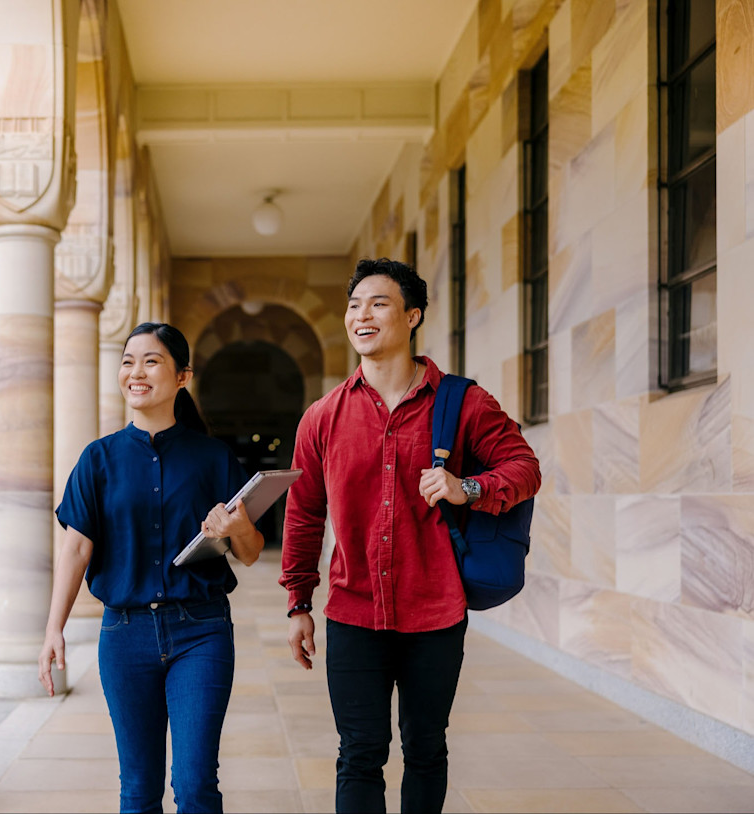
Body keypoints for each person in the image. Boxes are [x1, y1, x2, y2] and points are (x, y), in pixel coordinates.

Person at [280, 258, 541, 814]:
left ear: (412, 315)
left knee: (426, 749)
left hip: (436, 611)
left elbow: (524, 468)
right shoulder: (322, 417)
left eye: (378, 302)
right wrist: (299, 602)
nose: (361, 314)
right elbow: (303, 514)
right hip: (352, 612)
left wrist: (466, 487)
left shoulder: (463, 402)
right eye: (353, 305)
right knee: (359, 753)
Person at [39, 322, 265, 814]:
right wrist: (54, 628)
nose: (135, 371)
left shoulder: (213, 458)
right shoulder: (97, 460)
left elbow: (249, 551)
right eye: (128, 360)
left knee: (195, 784)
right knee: (138, 788)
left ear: (182, 377)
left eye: (151, 360)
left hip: (201, 632)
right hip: (124, 636)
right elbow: (76, 550)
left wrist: (234, 527)